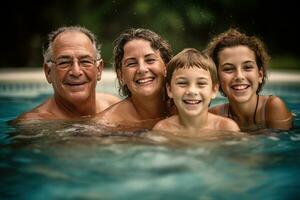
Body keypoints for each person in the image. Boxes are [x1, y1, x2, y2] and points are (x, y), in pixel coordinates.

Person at [14, 26, 120, 122]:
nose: (76, 72)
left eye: (85, 61)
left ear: (99, 70)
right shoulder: (32, 125)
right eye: (64, 62)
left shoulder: (115, 107)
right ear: (48, 72)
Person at [205, 28, 292, 131]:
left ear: (260, 75)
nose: (239, 76)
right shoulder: (213, 116)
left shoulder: (273, 107)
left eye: (247, 67)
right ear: (217, 79)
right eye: (228, 69)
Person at [93, 28, 173, 129]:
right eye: (132, 63)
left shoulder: (188, 108)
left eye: (150, 60)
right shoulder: (106, 125)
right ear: (121, 76)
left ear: (166, 66)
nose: (142, 69)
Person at [153, 48, 240, 134]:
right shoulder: (163, 130)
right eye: (182, 83)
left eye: (201, 83)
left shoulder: (226, 128)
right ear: (170, 90)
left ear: (214, 90)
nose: (192, 91)